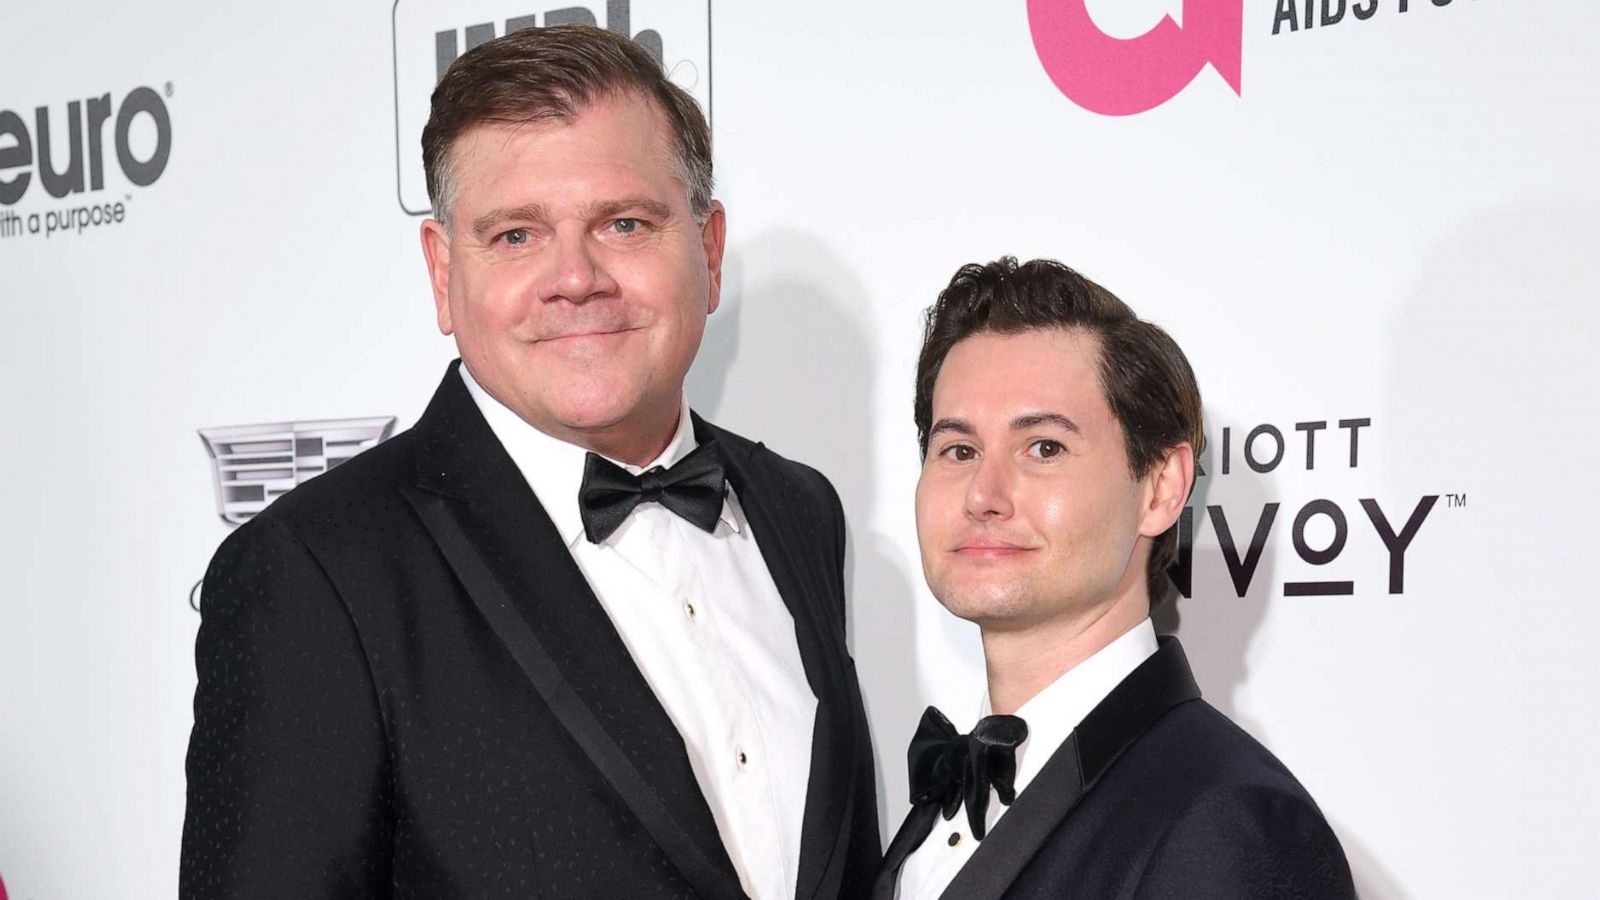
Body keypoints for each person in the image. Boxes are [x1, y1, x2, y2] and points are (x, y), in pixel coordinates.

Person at [181, 25, 879, 900]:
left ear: (706, 250)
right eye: (515, 236)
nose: (576, 278)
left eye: (625, 224)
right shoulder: (314, 574)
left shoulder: (798, 509)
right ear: (443, 273)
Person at [874, 258, 1353, 899]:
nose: (983, 495)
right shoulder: (931, 814)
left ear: (1160, 488)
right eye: (959, 450)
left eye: (1044, 447)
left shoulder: (1230, 823)